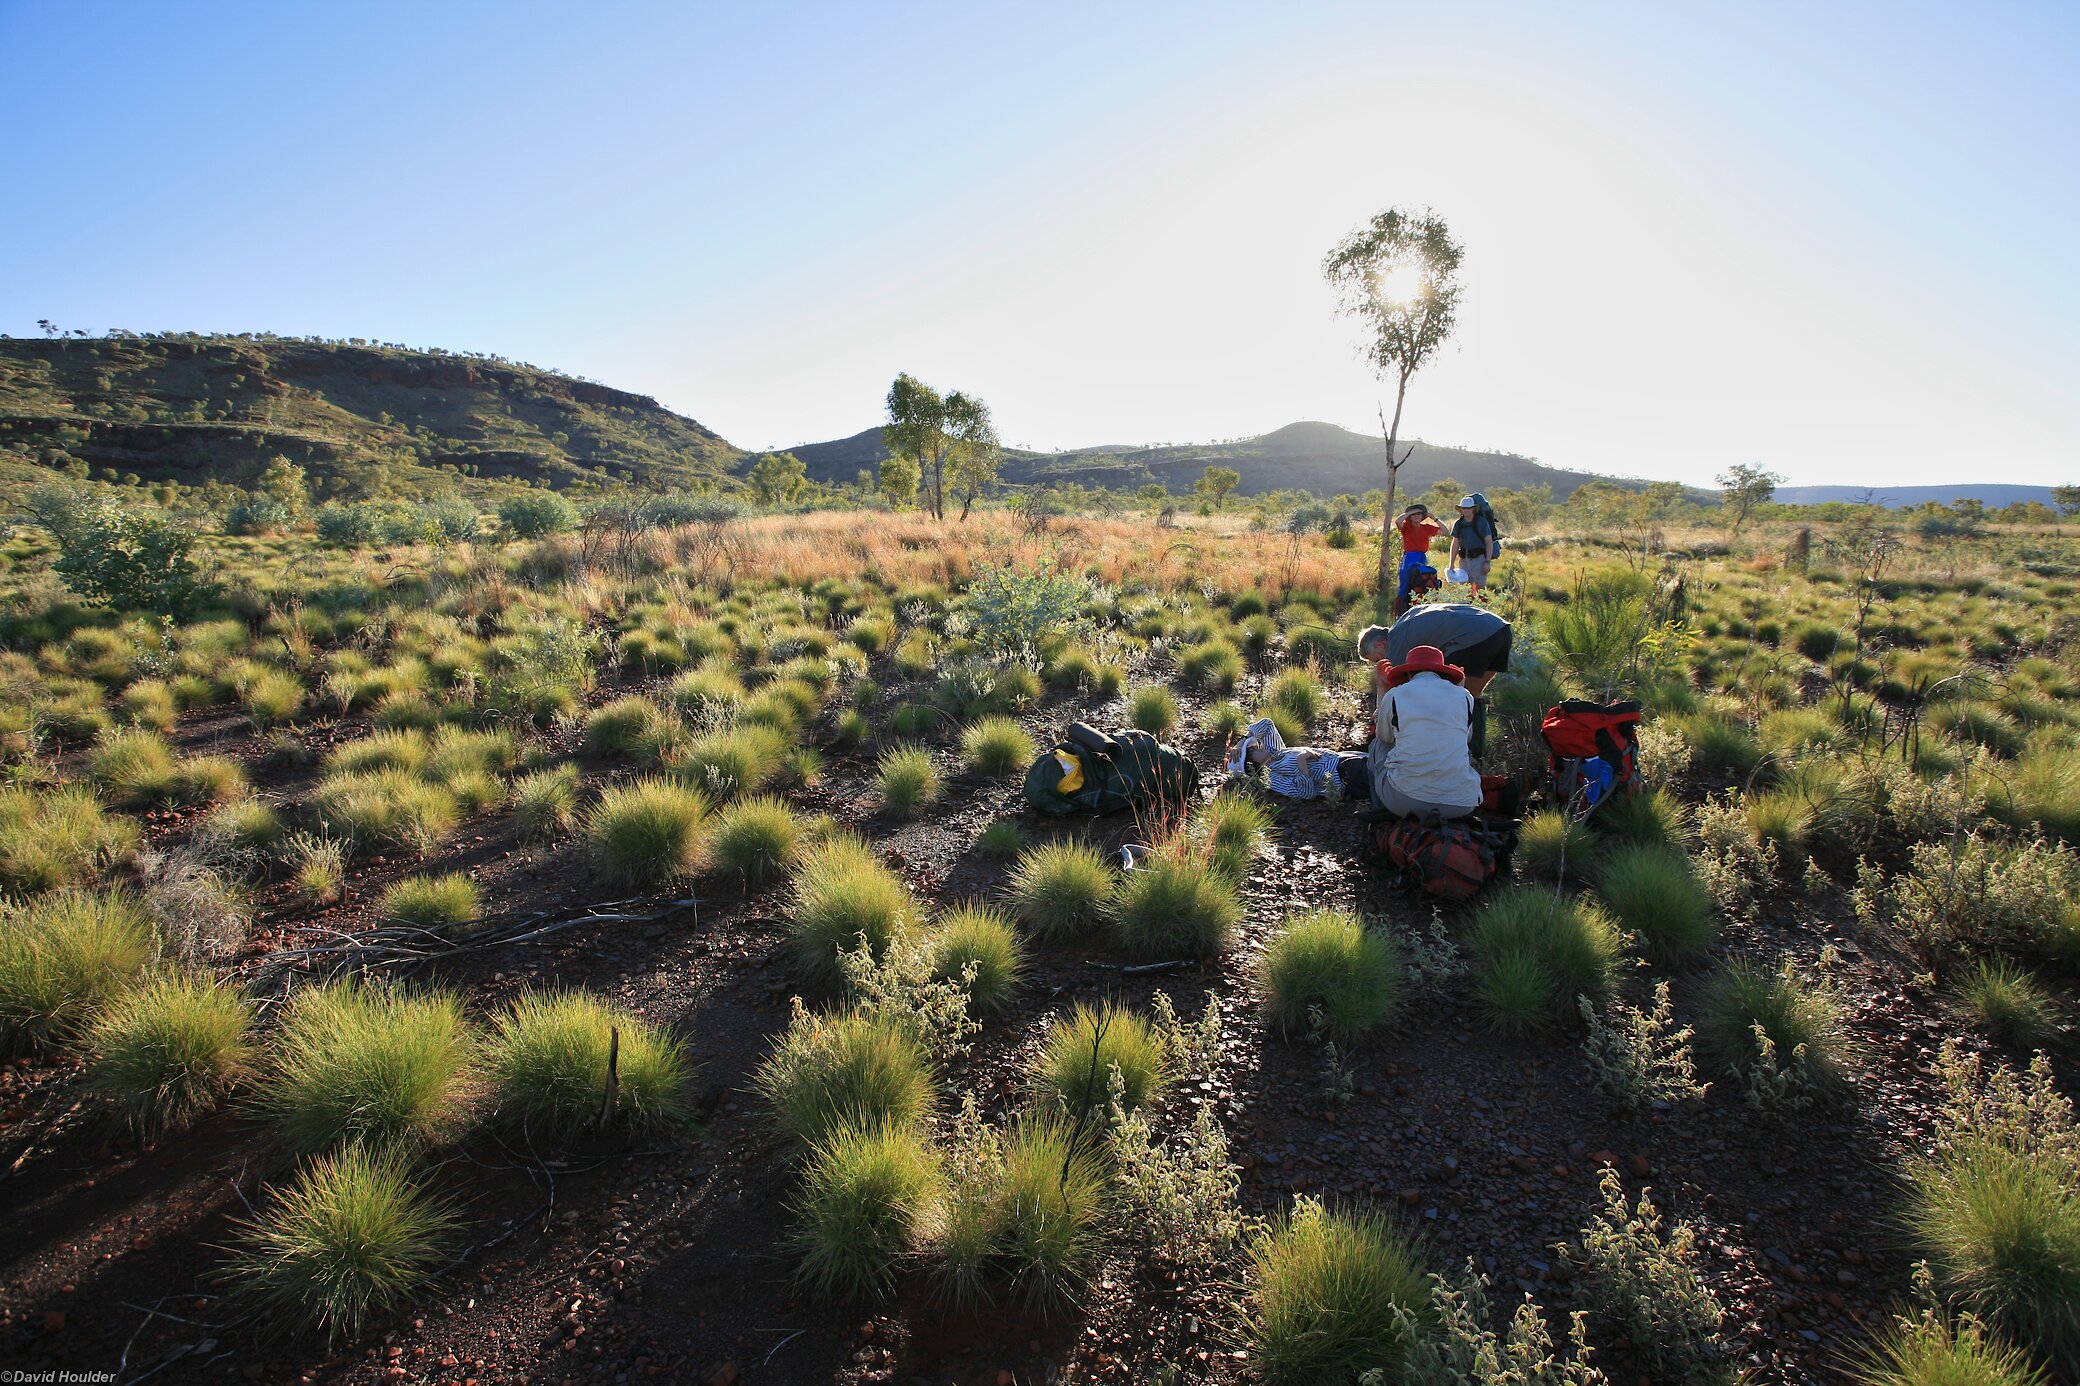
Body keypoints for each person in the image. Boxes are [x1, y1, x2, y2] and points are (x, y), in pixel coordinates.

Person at [1358, 604, 1512, 757]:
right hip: (1500, 630)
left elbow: (1400, 698)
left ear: (1380, 644)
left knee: (1450, 696)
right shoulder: (1405, 621)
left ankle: (1462, 753)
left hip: (1475, 637)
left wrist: (1378, 716)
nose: (1381, 663)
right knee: (1472, 694)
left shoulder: (1396, 646)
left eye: (1377, 659)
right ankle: (1476, 754)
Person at [1368, 645, 1481, 818]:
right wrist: (1460, 688)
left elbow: (1384, 736)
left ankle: (1378, 809)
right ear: (1442, 673)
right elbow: (1465, 738)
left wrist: (1382, 689)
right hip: (1463, 804)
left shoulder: (1396, 694)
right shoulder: (1464, 696)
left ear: (1408, 673)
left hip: (1406, 803)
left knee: (1378, 745)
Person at [1226, 717, 1370, 802]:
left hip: (1346, 759)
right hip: (1346, 777)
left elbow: (1267, 724)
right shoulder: (1272, 776)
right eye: (1252, 751)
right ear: (1252, 764)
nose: (1257, 746)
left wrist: (1241, 743)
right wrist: (1302, 760)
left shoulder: (1276, 752)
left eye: (1253, 746)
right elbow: (1305, 793)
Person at [1391, 503, 1443, 617]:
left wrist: (1434, 518)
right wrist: (1409, 512)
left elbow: (1445, 532)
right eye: (1414, 514)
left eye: (1419, 514)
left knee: (1421, 581)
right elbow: (1397, 522)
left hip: (1421, 557)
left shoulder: (1427, 528)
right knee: (1404, 584)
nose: (1416, 516)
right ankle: (1397, 613)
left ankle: (1418, 610)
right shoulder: (1406, 527)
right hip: (1409, 557)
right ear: (1410, 516)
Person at [1446, 493, 1500, 600]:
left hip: (1479, 559)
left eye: (1468, 508)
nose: (1466, 511)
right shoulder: (1459, 524)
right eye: (1464, 508)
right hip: (1464, 560)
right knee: (1465, 590)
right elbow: (1455, 543)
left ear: (1473, 509)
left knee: (1480, 589)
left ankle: (1482, 611)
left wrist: (1487, 562)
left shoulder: (1481, 522)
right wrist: (1451, 563)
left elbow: (1489, 542)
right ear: (1461, 510)